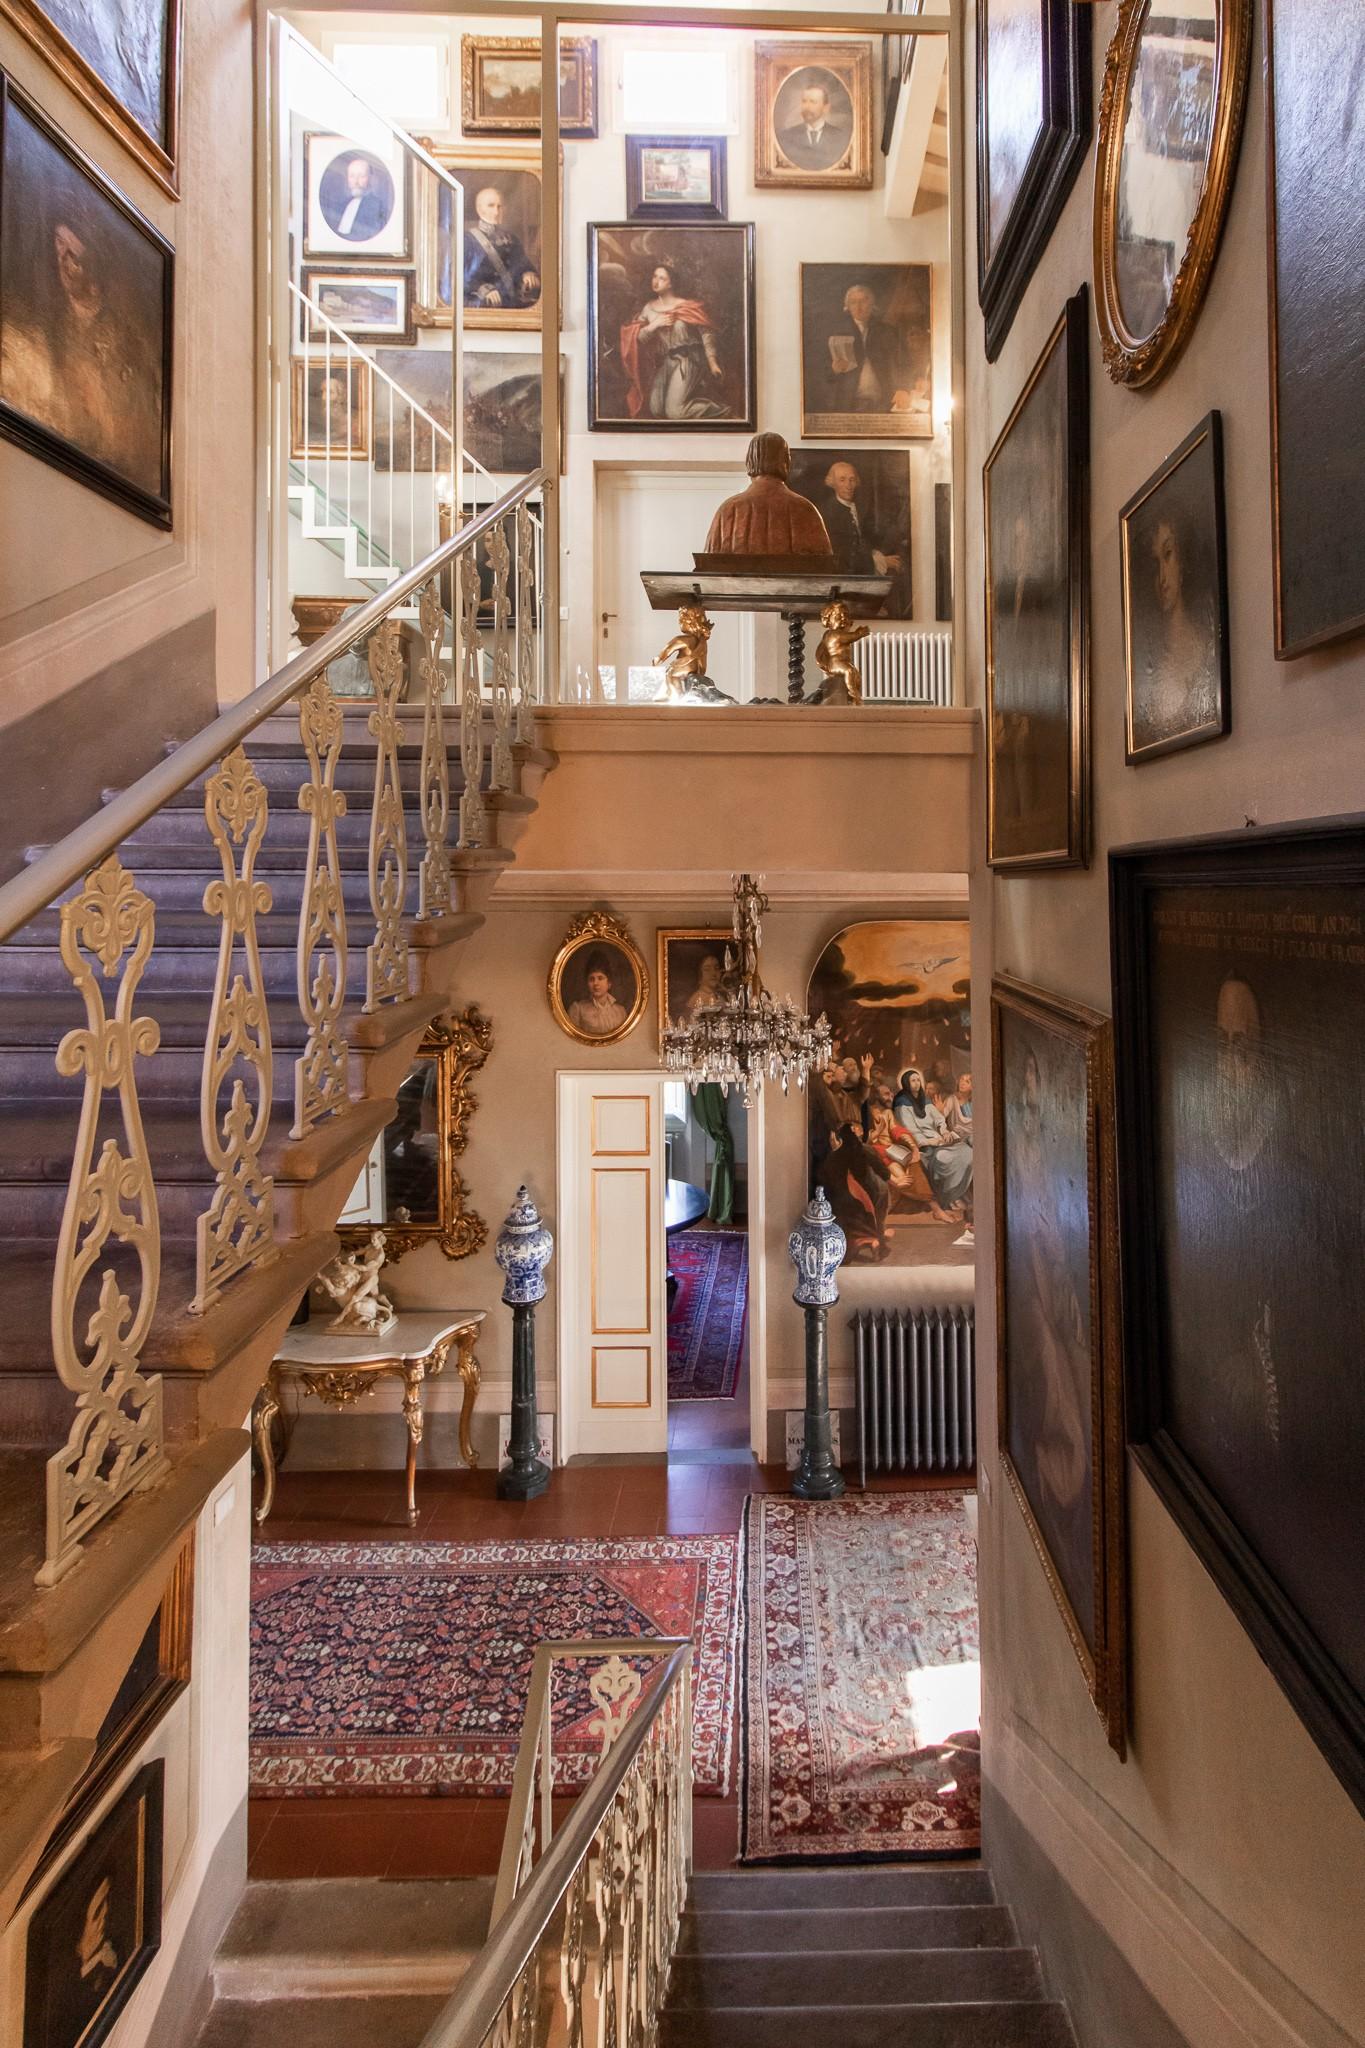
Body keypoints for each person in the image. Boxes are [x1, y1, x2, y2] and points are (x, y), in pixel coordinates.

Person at [1, 208, 163, 494]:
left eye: (74, 252)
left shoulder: (132, 342)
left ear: (95, 261)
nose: (65, 262)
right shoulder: (43, 331)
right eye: (59, 245)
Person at [1136, 513, 1220, 745]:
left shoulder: (1207, 645)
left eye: (1168, 555)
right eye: (1155, 564)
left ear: (1182, 561)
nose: (1162, 576)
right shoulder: (1148, 661)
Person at [619, 260, 731, 422]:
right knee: (656, 410)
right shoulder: (648, 308)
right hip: (667, 361)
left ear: (671, 283)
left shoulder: (686, 306)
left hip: (690, 359)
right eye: (654, 276)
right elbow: (639, 339)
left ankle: (723, 412)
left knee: (674, 412)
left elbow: (707, 333)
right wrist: (655, 325)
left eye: (662, 278)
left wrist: (712, 362)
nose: (655, 281)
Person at [705, 432, 833, 560]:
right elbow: (826, 567)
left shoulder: (728, 510)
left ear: (749, 461)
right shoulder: (805, 510)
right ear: (786, 461)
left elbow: (708, 565)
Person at [824, 283, 916, 418]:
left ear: (872, 304)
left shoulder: (888, 331)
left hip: (884, 402)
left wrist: (903, 387)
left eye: (863, 301)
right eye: (853, 302)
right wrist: (834, 369)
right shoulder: (835, 332)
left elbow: (905, 363)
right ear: (847, 307)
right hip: (847, 403)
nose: (858, 307)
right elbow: (821, 371)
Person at [893, 1067, 972, 1220]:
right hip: (922, 1145)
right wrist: (931, 1141)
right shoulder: (902, 1103)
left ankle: (956, 1195)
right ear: (906, 1083)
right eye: (913, 1080)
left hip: (939, 1140)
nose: (916, 1083)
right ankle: (949, 1198)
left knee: (966, 1153)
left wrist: (944, 1131)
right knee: (943, 1158)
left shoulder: (925, 1100)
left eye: (918, 1080)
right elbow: (910, 1130)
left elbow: (939, 1119)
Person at [464, 185, 540, 312]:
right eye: (491, 206)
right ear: (479, 209)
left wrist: (528, 274)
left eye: (500, 206)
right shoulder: (467, 240)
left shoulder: (512, 238)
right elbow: (458, 277)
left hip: (513, 305)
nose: (496, 212)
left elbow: (523, 264)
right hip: (484, 306)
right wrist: (484, 289)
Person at [776, 78, 851, 173]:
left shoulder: (840, 138)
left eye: (813, 102)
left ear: (826, 108)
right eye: (804, 101)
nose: (807, 107)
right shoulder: (786, 136)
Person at [330, 156, 391, 242]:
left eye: (362, 176)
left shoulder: (377, 206)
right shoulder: (342, 205)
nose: (356, 182)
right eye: (352, 176)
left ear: (370, 178)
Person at [568, 953, 629, 1036]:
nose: (595, 983)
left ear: (609, 983)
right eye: (591, 979)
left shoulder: (621, 1011)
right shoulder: (577, 1009)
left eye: (600, 978)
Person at [681, 951, 726, 1022]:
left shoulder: (720, 997)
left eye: (716, 968)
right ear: (699, 974)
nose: (713, 973)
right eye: (707, 969)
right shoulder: (695, 999)